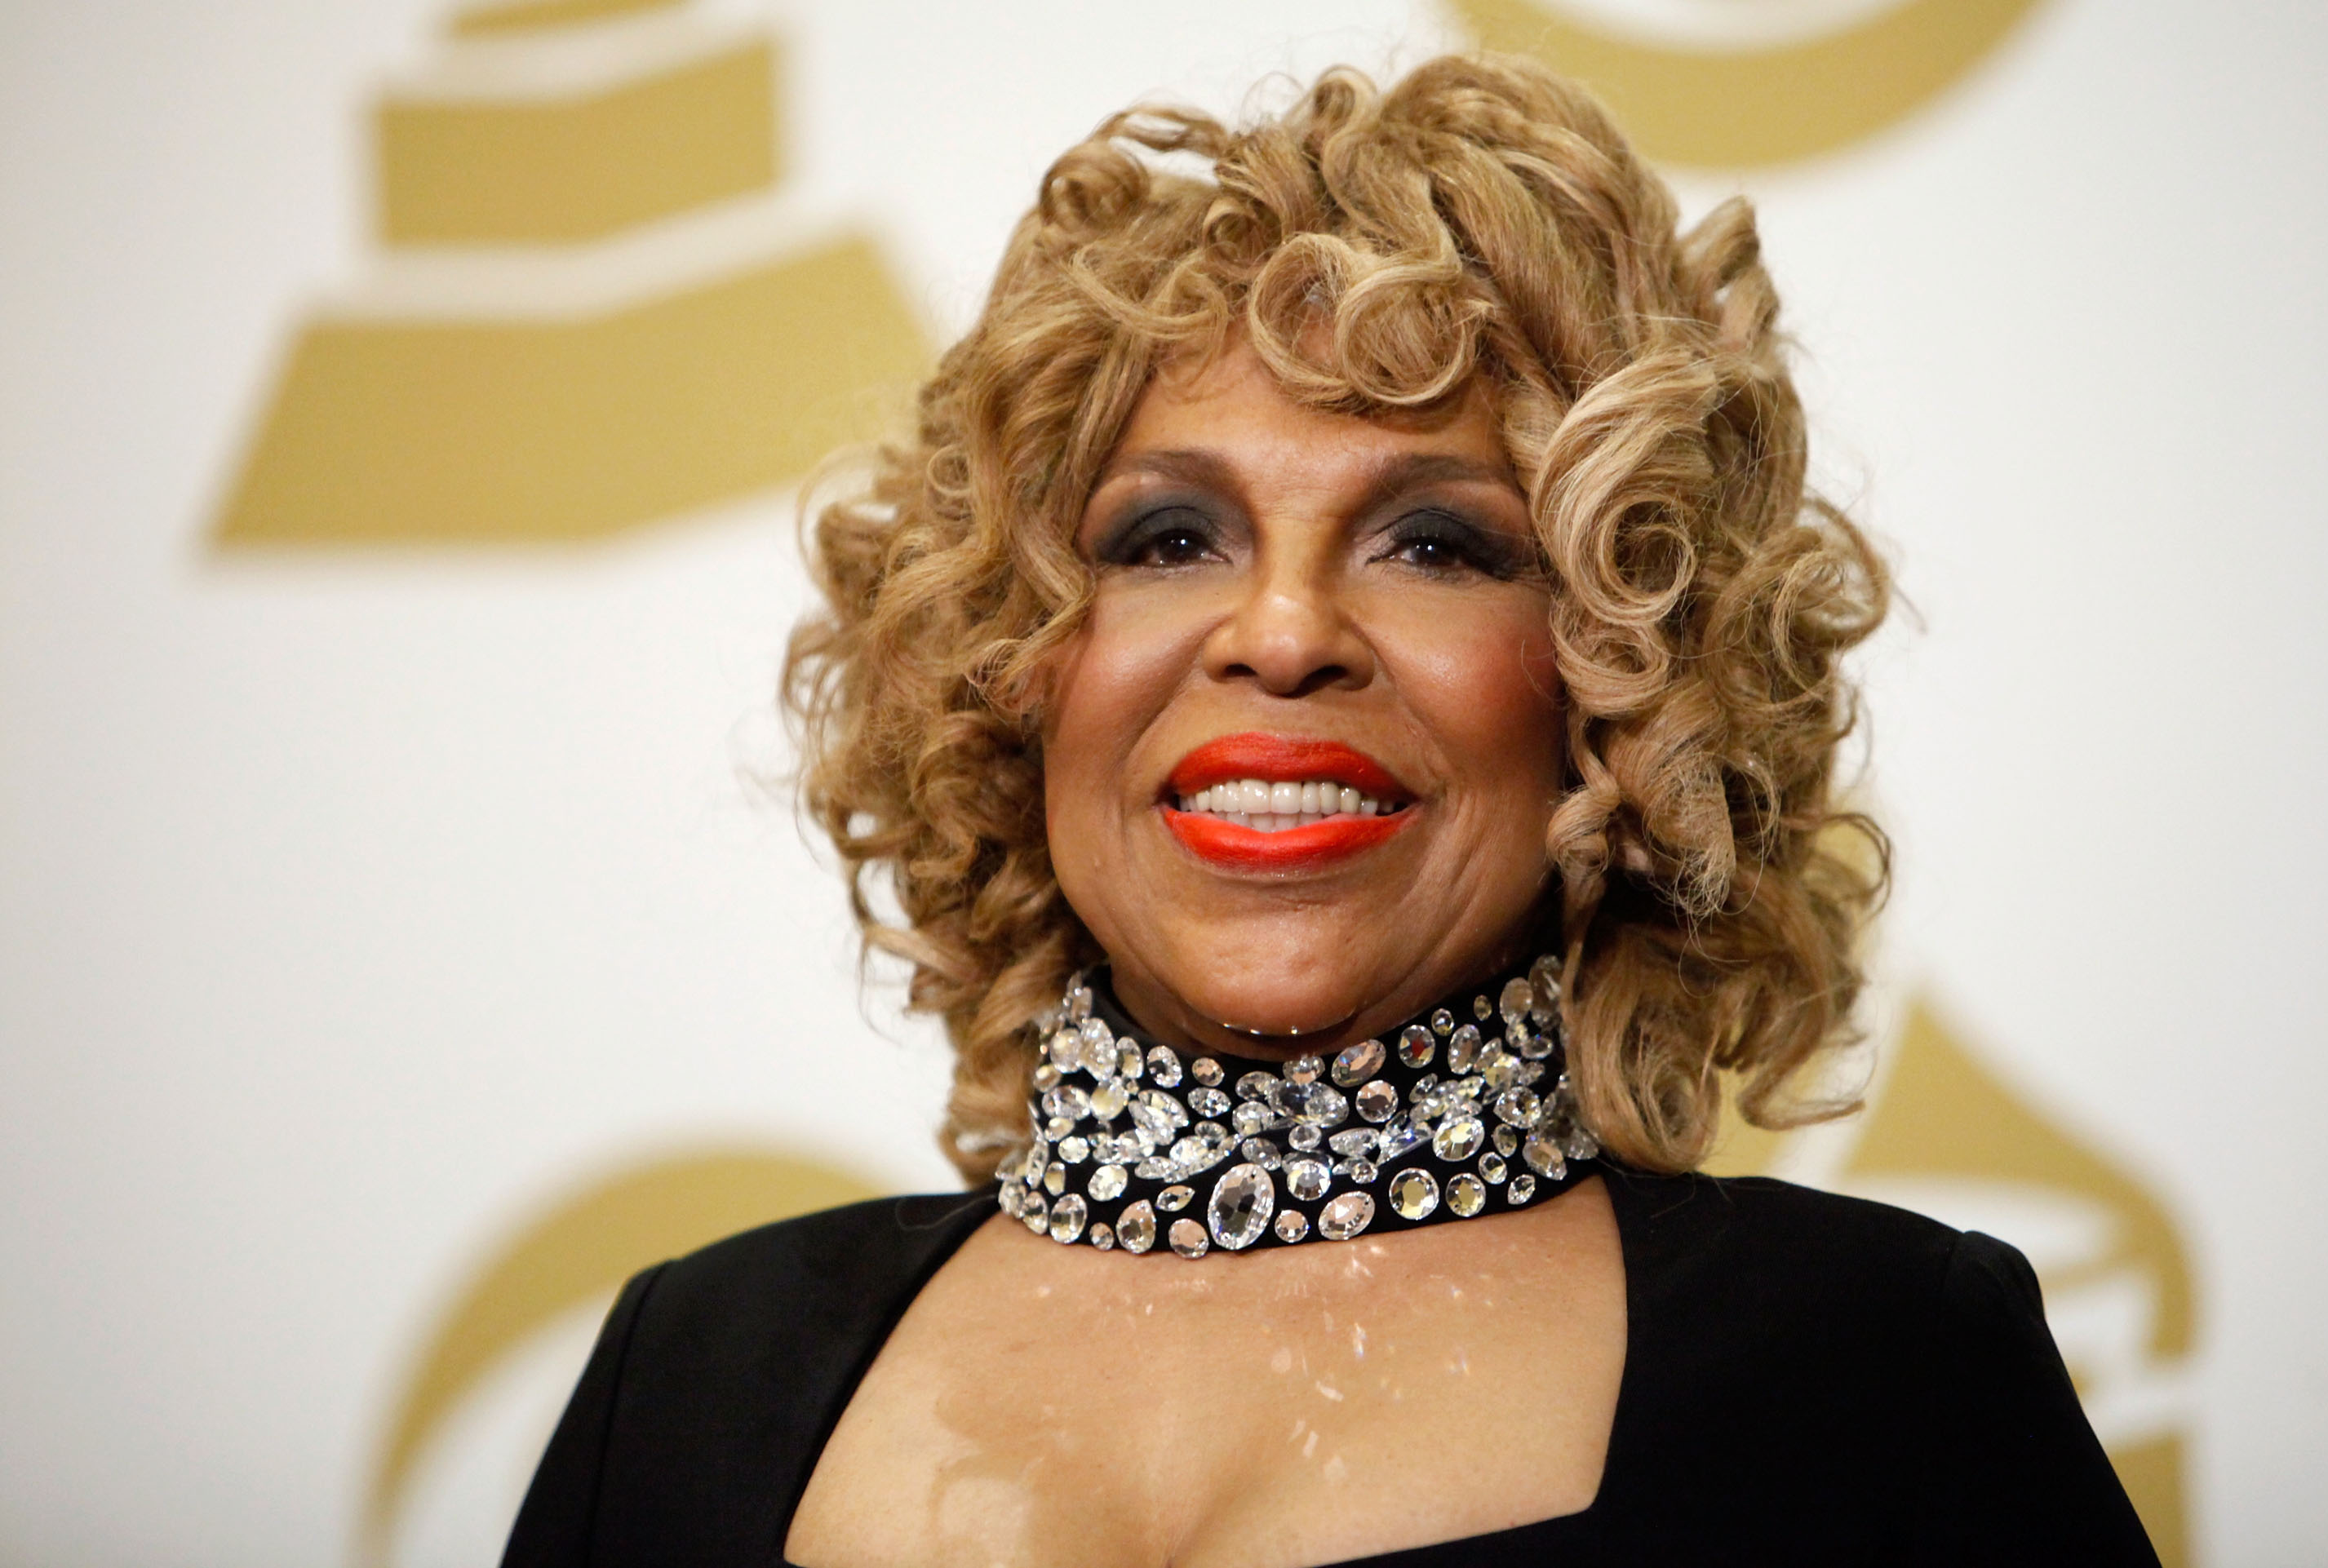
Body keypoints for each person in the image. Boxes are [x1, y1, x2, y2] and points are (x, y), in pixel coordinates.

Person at [503, 54, 2159, 1568]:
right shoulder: (690, 1369)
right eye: (1166, 539)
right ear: (1011, 666)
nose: (1283, 632)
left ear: (1615, 679)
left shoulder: (1883, 1371)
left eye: (1434, 542)